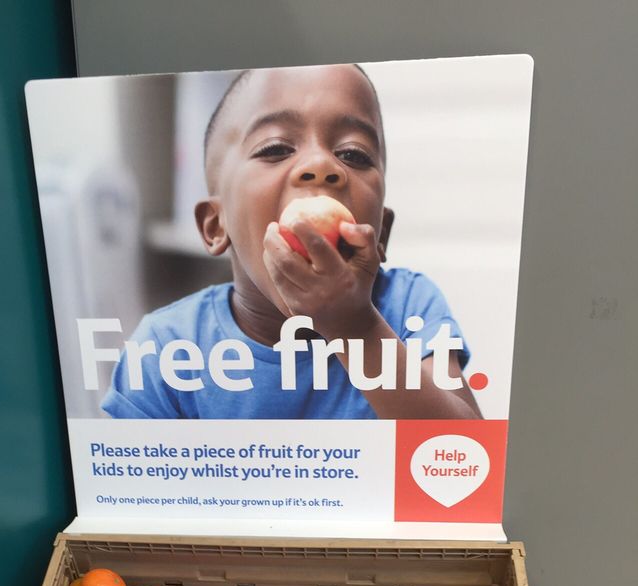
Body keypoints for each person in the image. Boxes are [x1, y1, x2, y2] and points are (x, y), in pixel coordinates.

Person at [102, 63, 481, 420]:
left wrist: (356, 328)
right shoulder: (165, 348)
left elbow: (465, 462)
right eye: (276, 149)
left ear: (380, 232)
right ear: (216, 226)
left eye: (352, 153)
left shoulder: (409, 308)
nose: (321, 165)